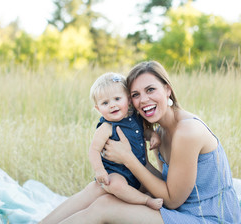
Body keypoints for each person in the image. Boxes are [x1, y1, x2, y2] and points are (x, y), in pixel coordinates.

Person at [42, 61, 241, 224]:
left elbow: (172, 200)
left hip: (208, 217)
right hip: (183, 210)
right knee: (101, 188)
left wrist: (128, 158)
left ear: (167, 90)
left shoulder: (187, 132)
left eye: (150, 90)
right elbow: (165, 183)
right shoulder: (159, 131)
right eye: (136, 94)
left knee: (104, 207)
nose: (143, 100)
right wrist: (132, 162)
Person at [40, 72, 163, 223]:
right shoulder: (106, 127)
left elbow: (145, 132)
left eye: (117, 99)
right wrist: (99, 170)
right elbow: (94, 150)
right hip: (116, 172)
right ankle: (145, 200)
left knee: (155, 185)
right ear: (98, 109)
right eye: (105, 103)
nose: (112, 105)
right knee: (116, 185)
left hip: (136, 172)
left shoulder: (135, 119)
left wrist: (153, 136)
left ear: (129, 100)